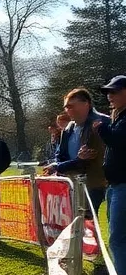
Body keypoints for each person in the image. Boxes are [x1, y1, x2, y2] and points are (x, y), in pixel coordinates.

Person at [47, 88, 110, 217]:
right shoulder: (68, 128)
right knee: (72, 220)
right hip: (70, 183)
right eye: (66, 107)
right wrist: (59, 165)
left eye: (71, 106)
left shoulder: (100, 123)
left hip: (93, 183)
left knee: (87, 220)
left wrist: (58, 166)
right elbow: (60, 155)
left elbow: (88, 159)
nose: (67, 110)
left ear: (86, 104)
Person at [95, 75, 126, 275]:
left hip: (124, 186)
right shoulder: (119, 118)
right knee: (117, 238)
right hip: (115, 186)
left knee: (118, 239)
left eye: (114, 91)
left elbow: (119, 142)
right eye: (108, 92)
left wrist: (103, 128)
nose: (110, 96)